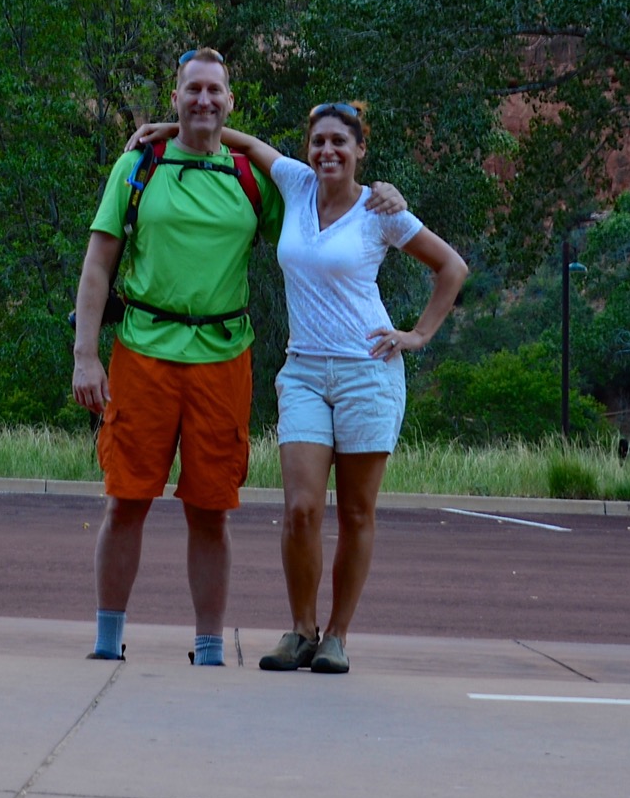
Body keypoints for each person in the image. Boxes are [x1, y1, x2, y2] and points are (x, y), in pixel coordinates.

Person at [72, 51, 403, 667]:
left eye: (214, 91)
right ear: (176, 97)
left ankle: (208, 650)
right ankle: (107, 641)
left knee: (211, 509)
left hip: (223, 359)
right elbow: (98, 264)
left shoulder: (252, 179)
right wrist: (85, 355)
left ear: (229, 101)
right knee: (125, 500)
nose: (203, 100)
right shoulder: (137, 166)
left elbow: (328, 205)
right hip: (142, 352)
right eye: (192, 90)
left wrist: (380, 193)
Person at [134, 99, 467, 676]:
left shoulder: (381, 209)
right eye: (318, 142)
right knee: (301, 509)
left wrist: (417, 335)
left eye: (340, 142)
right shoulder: (293, 182)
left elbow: (451, 267)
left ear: (360, 150)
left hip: (367, 373)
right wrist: (172, 128)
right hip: (305, 372)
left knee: (356, 513)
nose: (327, 151)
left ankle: (337, 636)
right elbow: (243, 141)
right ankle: (301, 630)